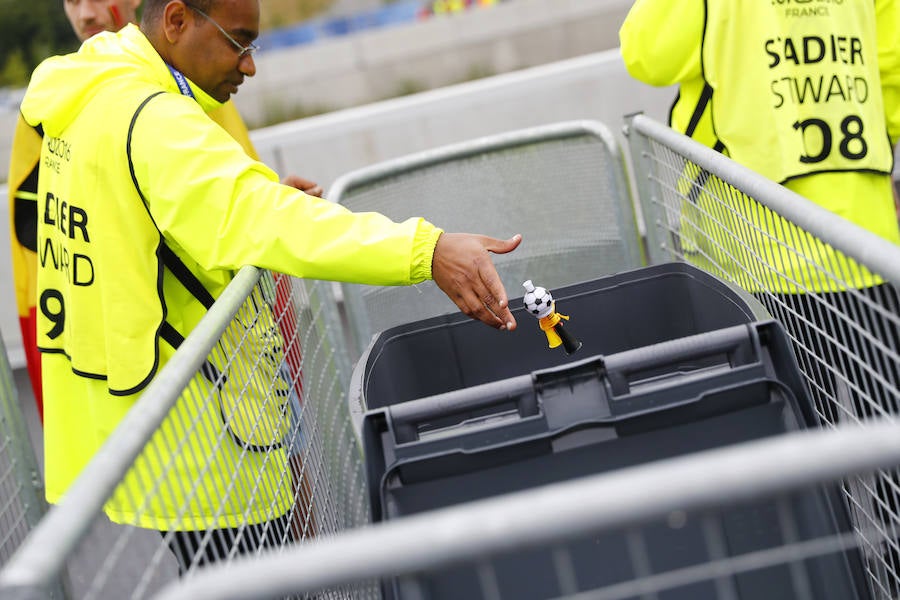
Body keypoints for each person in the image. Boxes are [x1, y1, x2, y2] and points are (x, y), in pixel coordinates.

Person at [20, 0, 521, 571]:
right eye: (239, 41)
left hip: (134, 425)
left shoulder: (89, 91)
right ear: (177, 21)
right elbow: (258, 217)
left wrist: (260, 202)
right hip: (202, 442)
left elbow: (154, 219)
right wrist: (427, 251)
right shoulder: (151, 117)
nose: (249, 66)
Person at [620, 0, 900, 580]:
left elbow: (645, 53)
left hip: (759, 258)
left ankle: (835, 583)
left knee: (799, 464)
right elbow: (893, 77)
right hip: (866, 245)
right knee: (889, 442)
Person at [8, 0, 323, 423]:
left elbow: (234, 196)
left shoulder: (201, 78)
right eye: (71, 0)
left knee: (290, 451)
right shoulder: (51, 110)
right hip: (156, 382)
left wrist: (270, 199)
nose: (85, 14)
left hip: (237, 350)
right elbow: (38, 239)